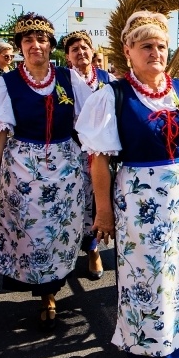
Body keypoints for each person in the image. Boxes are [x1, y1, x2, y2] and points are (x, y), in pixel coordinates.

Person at [75, 11, 179, 358]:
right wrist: (103, 212)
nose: (155, 52)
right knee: (148, 277)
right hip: (138, 200)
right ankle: (157, 354)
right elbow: (100, 162)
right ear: (128, 52)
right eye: (146, 46)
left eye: (160, 46)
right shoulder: (113, 96)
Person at [0, 13, 92, 331]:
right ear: (19, 47)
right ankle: (45, 294)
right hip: (22, 171)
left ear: (51, 45)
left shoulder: (70, 79)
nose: (35, 45)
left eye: (41, 39)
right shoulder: (7, 83)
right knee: (33, 235)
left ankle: (50, 291)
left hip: (66, 169)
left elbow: (92, 123)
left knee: (60, 236)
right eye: (28, 40)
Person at [64, 30, 113, 280]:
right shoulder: (63, 80)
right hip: (74, 149)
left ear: (93, 51)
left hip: (105, 151)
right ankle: (80, 248)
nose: (81, 53)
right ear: (68, 56)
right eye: (75, 50)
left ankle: (95, 248)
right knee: (79, 200)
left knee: (101, 199)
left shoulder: (107, 78)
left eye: (84, 48)